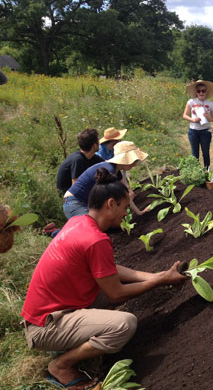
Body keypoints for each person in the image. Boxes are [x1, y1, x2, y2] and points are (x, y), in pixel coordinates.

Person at [22, 168, 186, 389]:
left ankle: (80, 339)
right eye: (125, 207)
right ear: (111, 204)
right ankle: (61, 365)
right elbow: (115, 293)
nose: (126, 214)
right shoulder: (95, 240)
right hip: (44, 327)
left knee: (104, 294)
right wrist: (160, 281)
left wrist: (158, 275)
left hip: (43, 314)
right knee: (124, 324)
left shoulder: (78, 222)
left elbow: (109, 269)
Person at [63, 141, 149, 219]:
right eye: (133, 161)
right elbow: (106, 200)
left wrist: (139, 212)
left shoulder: (116, 171)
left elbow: (125, 195)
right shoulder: (108, 170)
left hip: (85, 202)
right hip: (74, 202)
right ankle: (56, 232)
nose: (134, 165)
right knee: (92, 227)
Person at [56, 129, 104, 195]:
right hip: (69, 197)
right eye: (98, 141)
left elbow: (106, 164)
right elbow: (76, 187)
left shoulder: (92, 157)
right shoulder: (78, 160)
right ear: (94, 146)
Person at [183, 80, 213, 169]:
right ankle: (196, 173)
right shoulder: (191, 102)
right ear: (196, 92)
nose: (201, 92)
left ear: (206, 92)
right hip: (193, 131)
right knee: (195, 154)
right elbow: (185, 115)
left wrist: (208, 118)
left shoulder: (211, 104)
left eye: (203, 90)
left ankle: (207, 172)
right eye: (199, 91)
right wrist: (193, 120)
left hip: (206, 131)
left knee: (205, 152)